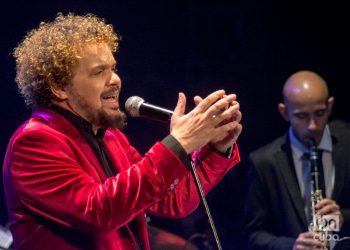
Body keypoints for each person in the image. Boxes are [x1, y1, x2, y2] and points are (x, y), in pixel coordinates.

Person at [2, 13, 243, 250]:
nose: (115, 80)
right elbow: (98, 211)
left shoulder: (111, 137)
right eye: (98, 72)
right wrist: (178, 144)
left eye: (113, 69)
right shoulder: (34, 141)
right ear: (59, 87)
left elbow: (170, 199)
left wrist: (215, 148)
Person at [243, 70, 350, 249]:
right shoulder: (264, 162)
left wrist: (344, 217)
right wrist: (292, 246)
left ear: (330, 106)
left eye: (320, 113)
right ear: (284, 112)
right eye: (301, 116)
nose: (313, 126)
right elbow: (252, 234)